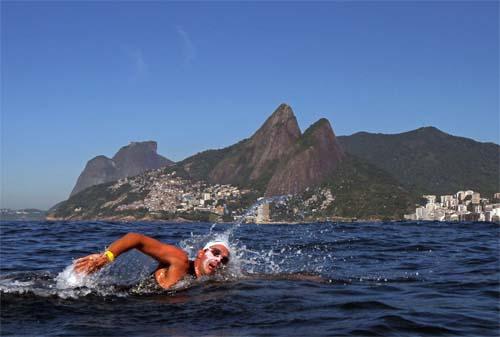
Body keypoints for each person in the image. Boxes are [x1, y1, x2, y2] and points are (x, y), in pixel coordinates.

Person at [73, 232, 230, 290]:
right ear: (201, 253)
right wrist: (107, 257)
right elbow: (136, 238)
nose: (218, 260)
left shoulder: (209, 282)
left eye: (224, 260)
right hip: (129, 305)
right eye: (215, 253)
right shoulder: (180, 261)